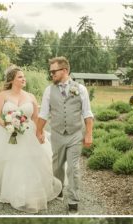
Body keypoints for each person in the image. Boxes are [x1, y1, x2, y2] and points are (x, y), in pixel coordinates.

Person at [0, 65, 62, 213]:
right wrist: (7, 124)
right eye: (20, 77)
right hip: (6, 132)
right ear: (12, 80)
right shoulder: (3, 95)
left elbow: (36, 117)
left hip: (28, 133)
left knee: (28, 160)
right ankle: (4, 186)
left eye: (24, 77)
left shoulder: (30, 96)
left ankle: (25, 190)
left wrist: (40, 132)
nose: (24, 79)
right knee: (6, 159)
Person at [36, 56, 95, 213]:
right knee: (57, 166)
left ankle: (73, 201)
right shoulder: (49, 90)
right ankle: (58, 188)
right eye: (50, 72)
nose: (52, 75)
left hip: (75, 134)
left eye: (54, 71)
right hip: (57, 134)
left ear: (64, 70)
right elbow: (43, 113)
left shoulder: (80, 89)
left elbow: (87, 113)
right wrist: (38, 130)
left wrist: (88, 134)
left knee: (73, 168)